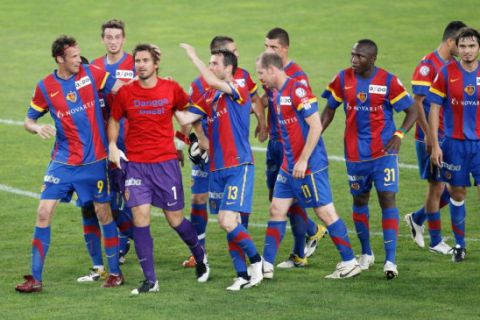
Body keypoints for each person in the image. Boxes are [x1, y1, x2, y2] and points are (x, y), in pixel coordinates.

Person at [15, 35, 124, 293]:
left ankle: (115, 273)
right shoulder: (45, 87)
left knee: (104, 213)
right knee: (43, 212)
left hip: (95, 161)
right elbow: (28, 120)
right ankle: (36, 279)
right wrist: (36, 127)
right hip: (62, 162)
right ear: (59, 59)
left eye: (78, 55)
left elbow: (121, 87)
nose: (78, 60)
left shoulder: (91, 73)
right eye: (73, 56)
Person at [108, 43, 209, 295]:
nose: (140, 65)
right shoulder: (126, 93)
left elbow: (188, 113)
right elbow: (114, 120)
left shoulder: (171, 88)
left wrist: (195, 139)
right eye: (137, 61)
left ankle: (200, 256)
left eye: (144, 60)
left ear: (155, 65)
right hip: (137, 167)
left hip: (165, 166)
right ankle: (150, 280)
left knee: (175, 219)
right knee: (140, 219)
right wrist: (111, 144)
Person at [257, 52, 361, 280]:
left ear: (272, 70)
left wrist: (303, 159)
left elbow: (315, 125)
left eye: (261, 73)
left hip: (309, 165)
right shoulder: (275, 93)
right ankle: (265, 266)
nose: (260, 77)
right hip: (289, 165)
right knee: (276, 209)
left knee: (324, 212)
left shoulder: (297, 89)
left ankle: (349, 261)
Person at [321, 39, 417, 279]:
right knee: (360, 199)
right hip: (354, 154)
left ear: (372, 59)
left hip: (384, 153)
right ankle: (366, 253)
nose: (354, 60)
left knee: (387, 198)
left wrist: (399, 134)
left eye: (360, 56)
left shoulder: (388, 81)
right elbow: (330, 109)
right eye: (352, 55)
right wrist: (314, 136)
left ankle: (391, 261)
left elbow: (413, 110)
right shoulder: (342, 79)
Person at [176, 44, 264, 291]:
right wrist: (170, 96)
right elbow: (185, 118)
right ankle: (242, 275)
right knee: (230, 223)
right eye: (210, 62)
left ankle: (257, 262)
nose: (212, 66)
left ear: (228, 68)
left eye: (215, 63)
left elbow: (212, 81)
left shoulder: (239, 87)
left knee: (227, 221)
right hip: (217, 168)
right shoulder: (211, 98)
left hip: (238, 166)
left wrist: (193, 56)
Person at [77, 18, 136, 283]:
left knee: (130, 195)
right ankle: (125, 241)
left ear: (124, 39)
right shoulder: (95, 67)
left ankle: (134, 236)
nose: (113, 41)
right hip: (103, 142)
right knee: (104, 200)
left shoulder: (136, 62)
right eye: (108, 37)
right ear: (103, 39)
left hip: (131, 140)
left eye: (117, 37)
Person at [262, 28, 327, 269]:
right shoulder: (270, 70)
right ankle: (312, 230)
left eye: (274, 48)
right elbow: (267, 99)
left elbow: (308, 118)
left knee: (293, 200)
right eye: (266, 46)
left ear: (285, 48)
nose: (269, 51)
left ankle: (299, 253)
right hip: (275, 144)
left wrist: (302, 154)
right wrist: (262, 123)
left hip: (292, 148)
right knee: (277, 200)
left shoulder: (298, 77)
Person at [404, 21, 466, 254]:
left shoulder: (451, 65)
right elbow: (417, 103)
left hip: (449, 136)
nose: (463, 50)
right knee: (437, 187)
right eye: (459, 45)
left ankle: (417, 218)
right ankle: (436, 241)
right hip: (429, 137)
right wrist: (430, 136)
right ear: (450, 42)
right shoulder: (428, 66)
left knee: (455, 187)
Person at [429, 27, 480, 263]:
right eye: (463, 46)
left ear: (478, 47)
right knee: (457, 194)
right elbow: (435, 107)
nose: (467, 51)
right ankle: (460, 245)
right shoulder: (445, 72)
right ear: (456, 48)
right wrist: (435, 144)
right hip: (454, 145)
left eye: (472, 46)